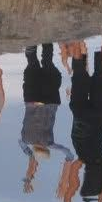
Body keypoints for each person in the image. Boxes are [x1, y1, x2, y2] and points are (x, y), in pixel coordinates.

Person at [58, 36, 102, 202]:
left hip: (98, 119)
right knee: (79, 72)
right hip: (81, 118)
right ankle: (77, 38)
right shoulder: (80, 160)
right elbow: (71, 184)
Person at [21, 44, 72, 192]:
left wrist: (65, 175)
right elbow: (24, 147)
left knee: (48, 62)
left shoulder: (49, 143)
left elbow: (68, 153)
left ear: (45, 149)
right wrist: (28, 176)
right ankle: (31, 44)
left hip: (50, 101)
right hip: (32, 100)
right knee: (32, 63)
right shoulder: (25, 139)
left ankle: (47, 40)